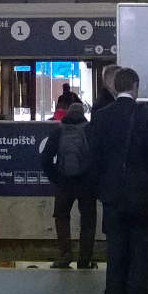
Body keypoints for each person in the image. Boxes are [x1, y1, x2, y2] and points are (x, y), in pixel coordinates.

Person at [89, 67, 148, 294]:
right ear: (135, 87)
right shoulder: (146, 116)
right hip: (140, 196)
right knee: (140, 254)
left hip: (112, 197)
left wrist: (102, 191)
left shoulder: (100, 116)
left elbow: (94, 159)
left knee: (116, 253)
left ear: (115, 86)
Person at [40, 102, 96, 269]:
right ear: (83, 113)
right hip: (86, 183)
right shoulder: (89, 130)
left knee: (62, 217)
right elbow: (99, 157)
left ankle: (65, 254)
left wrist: (56, 177)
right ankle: (85, 259)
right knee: (88, 221)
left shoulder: (58, 130)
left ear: (67, 113)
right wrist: (93, 178)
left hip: (64, 182)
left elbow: (45, 158)